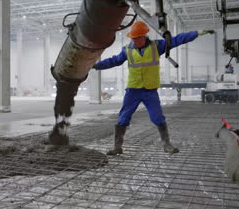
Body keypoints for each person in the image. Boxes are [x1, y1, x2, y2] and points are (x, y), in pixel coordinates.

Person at [92, 21, 214, 155]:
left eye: (137, 38)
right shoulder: (127, 50)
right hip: (133, 90)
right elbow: (113, 61)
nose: (134, 41)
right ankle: (117, 147)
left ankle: (166, 145)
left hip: (150, 91)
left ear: (144, 36)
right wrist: (95, 65)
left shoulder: (157, 46)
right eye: (133, 38)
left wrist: (196, 33)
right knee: (123, 117)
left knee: (157, 117)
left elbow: (177, 40)